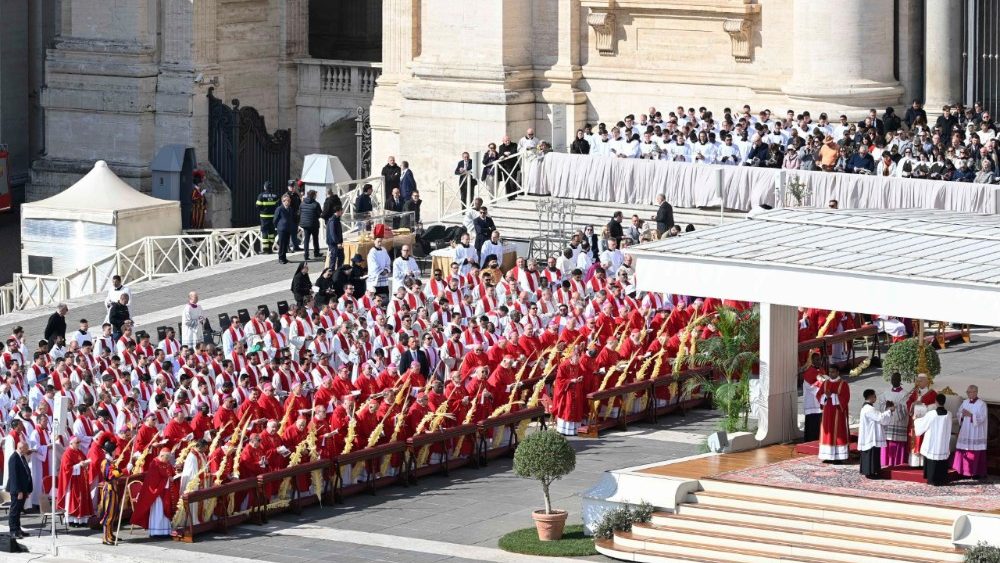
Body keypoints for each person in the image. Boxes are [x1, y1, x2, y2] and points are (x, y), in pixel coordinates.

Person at [130, 447, 177, 536]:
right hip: (156, 494)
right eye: (166, 458)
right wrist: (167, 479)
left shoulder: (167, 463)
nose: (167, 460)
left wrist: (174, 476)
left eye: (168, 458)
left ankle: (165, 531)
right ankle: (156, 531)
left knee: (165, 510)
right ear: (161, 455)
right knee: (158, 511)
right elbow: (153, 481)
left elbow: (171, 472)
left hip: (165, 491)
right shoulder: (154, 464)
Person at [914, 394, 952, 486]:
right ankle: (942, 479)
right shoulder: (949, 414)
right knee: (942, 460)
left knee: (932, 459)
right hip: (943, 443)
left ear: (936, 402)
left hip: (933, 442)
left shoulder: (931, 414)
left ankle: (932, 479)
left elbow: (922, 425)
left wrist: (916, 420)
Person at [953, 385, 988, 479]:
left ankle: (975, 472)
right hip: (965, 429)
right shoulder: (964, 402)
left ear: (976, 392)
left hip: (976, 431)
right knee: (964, 450)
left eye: (970, 392)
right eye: (967, 392)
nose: (968, 394)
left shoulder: (981, 404)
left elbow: (982, 418)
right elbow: (958, 413)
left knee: (974, 452)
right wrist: (962, 414)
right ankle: (962, 471)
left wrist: (971, 415)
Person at [816, 365, 850, 463]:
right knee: (827, 433)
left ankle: (839, 457)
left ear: (838, 372)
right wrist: (825, 396)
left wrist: (833, 395)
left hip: (838, 413)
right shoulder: (825, 383)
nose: (831, 374)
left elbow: (845, 398)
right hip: (827, 413)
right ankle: (828, 456)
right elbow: (818, 395)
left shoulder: (843, 384)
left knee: (838, 432)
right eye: (830, 372)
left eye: (833, 372)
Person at [57, 436, 93, 526]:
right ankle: (72, 520)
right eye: (77, 443)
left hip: (82, 479)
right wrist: (79, 465)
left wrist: (85, 463)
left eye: (79, 442)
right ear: (71, 443)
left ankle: (82, 520)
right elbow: (66, 469)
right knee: (74, 499)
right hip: (73, 481)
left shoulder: (79, 451)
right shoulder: (67, 453)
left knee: (83, 498)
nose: (79, 444)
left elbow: (84, 460)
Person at [858, 389, 894, 479]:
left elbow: (879, 416)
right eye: (874, 396)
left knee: (873, 454)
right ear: (870, 397)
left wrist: (887, 409)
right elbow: (880, 418)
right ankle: (871, 472)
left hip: (870, 434)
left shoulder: (867, 408)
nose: (875, 398)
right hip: (870, 436)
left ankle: (873, 471)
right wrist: (889, 410)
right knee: (871, 454)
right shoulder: (868, 409)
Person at [906, 373, 938, 467]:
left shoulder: (932, 393)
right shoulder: (914, 392)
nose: (918, 382)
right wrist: (913, 404)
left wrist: (924, 406)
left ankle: (924, 463)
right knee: (914, 438)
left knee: (924, 439)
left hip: (926, 421)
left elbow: (935, 406)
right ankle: (914, 463)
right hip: (914, 422)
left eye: (921, 380)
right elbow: (908, 403)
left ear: (927, 381)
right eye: (918, 380)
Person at [880, 373, 909, 467]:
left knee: (897, 442)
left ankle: (897, 462)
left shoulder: (905, 394)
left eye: (896, 379)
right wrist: (887, 406)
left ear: (900, 380)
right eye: (892, 379)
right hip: (888, 421)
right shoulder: (886, 392)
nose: (893, 381)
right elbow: (881, 404)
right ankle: (885, 462)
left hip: (898, 423)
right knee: (887, 441)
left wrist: (897, 407)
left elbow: (907, 408)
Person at [5, 440, 32, 539]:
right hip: (17, 490)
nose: (27, 450)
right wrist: (19, 491)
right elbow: (14, 476)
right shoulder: (14, 458)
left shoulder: (21, 457)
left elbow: (26, 472)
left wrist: (27, 490)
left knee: (19, 510)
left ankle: (18, 529)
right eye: (26, 448)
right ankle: (13, 531)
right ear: (20, 448)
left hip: (23, 489)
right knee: (14, 511)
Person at [298, 189, 322, 261]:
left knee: (306, 240)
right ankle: (316, 253)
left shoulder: (302, 203)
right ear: (314, 196)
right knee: (315, 239)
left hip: (305, 225)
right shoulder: (316, 204)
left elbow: (300, 213)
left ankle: (306, 255)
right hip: (314, 224)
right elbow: (319, 214)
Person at [255, 181, 279, 253]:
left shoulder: (261, 196)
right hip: (273, 217)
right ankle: (270, 247)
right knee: (271, 232)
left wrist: (263, 210)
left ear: (265, 187)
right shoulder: (275, 196)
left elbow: (257, 206)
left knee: (265, 232)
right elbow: (277, 205)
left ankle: (265, 249)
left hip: (264, 217)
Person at [274, 194, 296, 264]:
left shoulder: (290, 209)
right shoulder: (279, 209)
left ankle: (284, 258)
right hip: (281, 229)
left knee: (286, 244)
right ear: (283, 201)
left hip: (288, 228)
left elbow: (292, 218)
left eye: (289, 201)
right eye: (287, 201)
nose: (288, 202)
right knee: (282, 244)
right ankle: (280, 258)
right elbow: (275, 219)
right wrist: (277, 227)